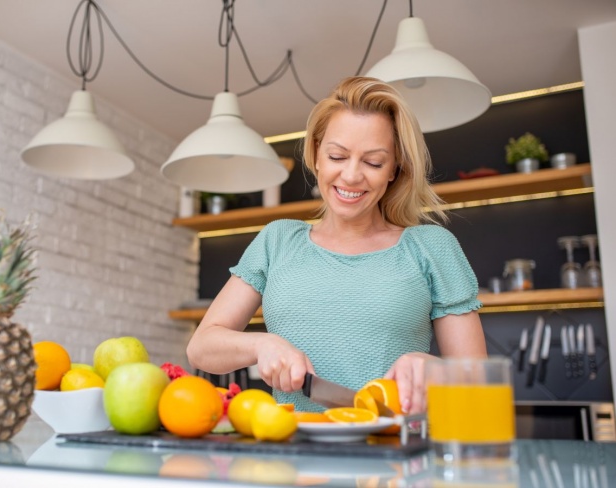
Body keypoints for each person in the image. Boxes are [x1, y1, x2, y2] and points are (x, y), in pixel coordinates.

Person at [186, 76, 487, 415]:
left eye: (373, 162)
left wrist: (435, 370)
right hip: (295, 456)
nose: (352, 175)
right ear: (316, 155)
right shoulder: (277, 240)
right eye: (337, 156)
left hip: (398, 459)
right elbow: (202, 347)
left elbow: (479, 384)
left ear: (394, 169)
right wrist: (262, 344)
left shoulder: (432, 248)